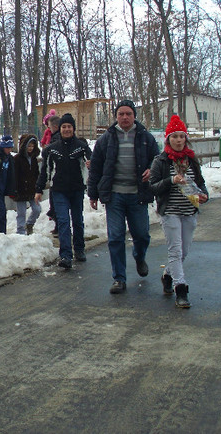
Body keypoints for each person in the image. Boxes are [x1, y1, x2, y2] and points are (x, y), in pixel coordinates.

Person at [88, 100, 159, 295]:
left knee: (142, 234)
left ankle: (139, 255)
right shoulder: (106, 139)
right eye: (121, 114)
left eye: (128, 113)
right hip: (115, 196)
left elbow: (158, 159)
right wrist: (93, 194)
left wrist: (151, 170)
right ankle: (119, 278)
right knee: (116, 237)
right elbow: (95, 168)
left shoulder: (145, 137)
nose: (125, 117)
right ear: (116, 116)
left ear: (134, 115)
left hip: (138, 195)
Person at [149, 115, 209, 308]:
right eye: (174, 137)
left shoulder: (191, 160)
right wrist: (171, 181)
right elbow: (153, 187)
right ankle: (180, 289)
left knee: (183, 251)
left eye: (181, 136)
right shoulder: (161, 161)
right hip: (170, 211)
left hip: (189, 210)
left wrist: (204, 195)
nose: (178, 140)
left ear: (186, 138)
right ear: (168, 139)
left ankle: (167, 275)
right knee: (175, 250)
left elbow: (200, 184)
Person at [35, 113, 92, 269]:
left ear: (73, 129)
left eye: (69, 127)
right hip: (59, 191)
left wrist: (90, 162)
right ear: (59, 129)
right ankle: (66, 255)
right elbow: (44, 171)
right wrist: (39, 189)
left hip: (77, 190)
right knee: (63, 222)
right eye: (64, 127)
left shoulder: (81, 146)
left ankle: (79, 249)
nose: (66, 130)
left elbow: (91, 159)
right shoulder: (51, 150)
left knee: (77, 221)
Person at [14, 134, 42, 235]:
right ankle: (20, 230)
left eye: (32, 146)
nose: (30, 148)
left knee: (37, 209)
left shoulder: (33, 158)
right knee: (21, 212)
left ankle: (29, 223)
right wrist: (15, 189)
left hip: (32, 189)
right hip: (20, 189)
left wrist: (38, 187)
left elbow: (36, 174)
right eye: (28, 146)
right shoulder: (17, 159)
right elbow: (15, 175)